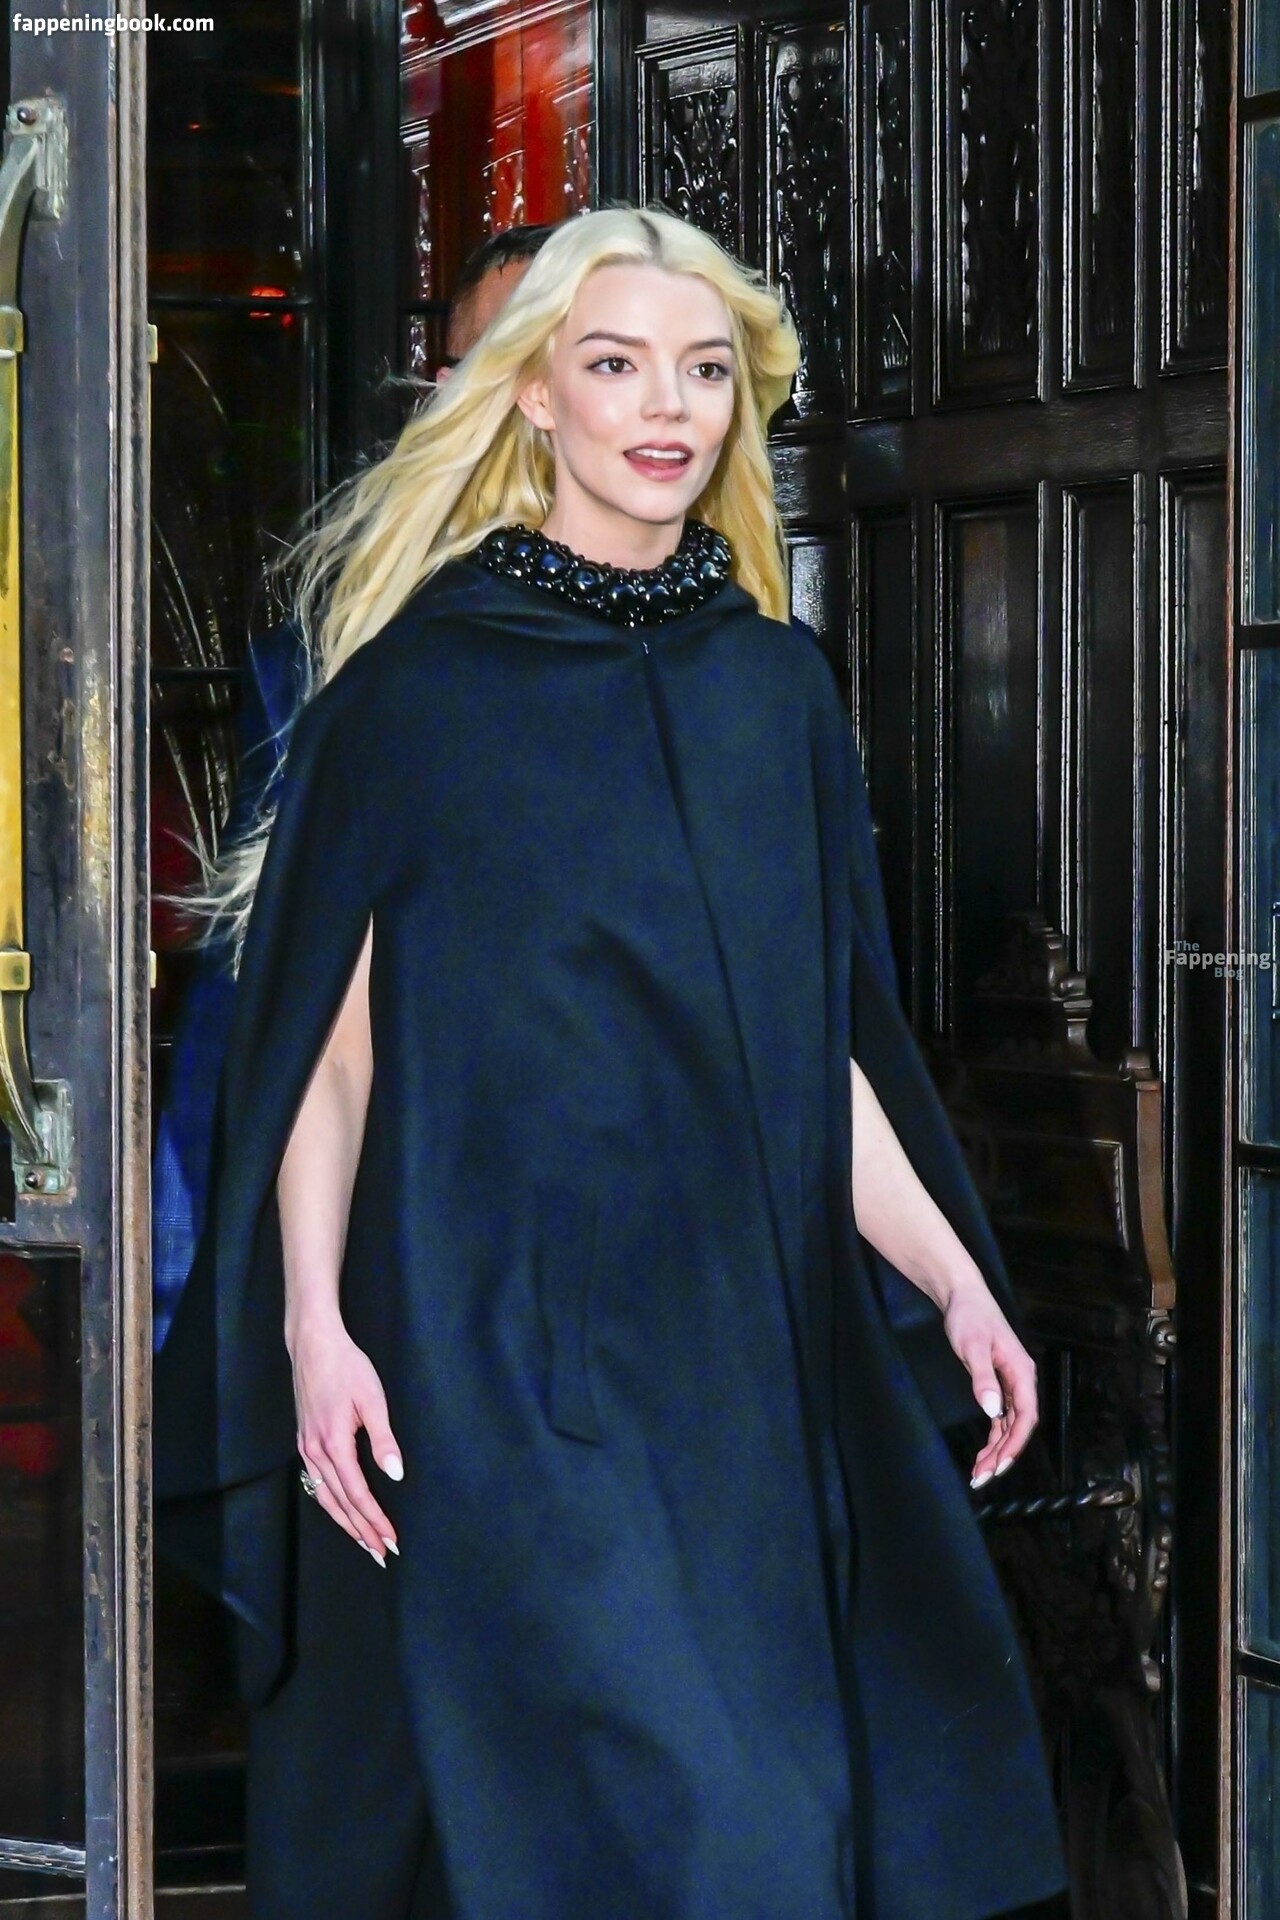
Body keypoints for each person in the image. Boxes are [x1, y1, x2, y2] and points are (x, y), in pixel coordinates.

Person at [153, 204, 1067, 1920]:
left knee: (765, 1823)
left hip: (739, 1354)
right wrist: (313, 1325)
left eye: (706, 371)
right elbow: (329, 1059)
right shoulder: (414, 697)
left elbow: (815, 1054)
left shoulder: (777, 694)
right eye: (618, 363)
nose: (668, 407)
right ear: (531, 394)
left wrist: (955, 1280)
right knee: (650, 1812)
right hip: (499, 1348)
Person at [151, 222, 557, 1349]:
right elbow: (256, 963)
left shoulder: (723, 654)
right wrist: (179, 1266)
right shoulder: (334, 649)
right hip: (400, 1198)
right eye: (502, 361)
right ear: (444, 390)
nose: (534, 401)